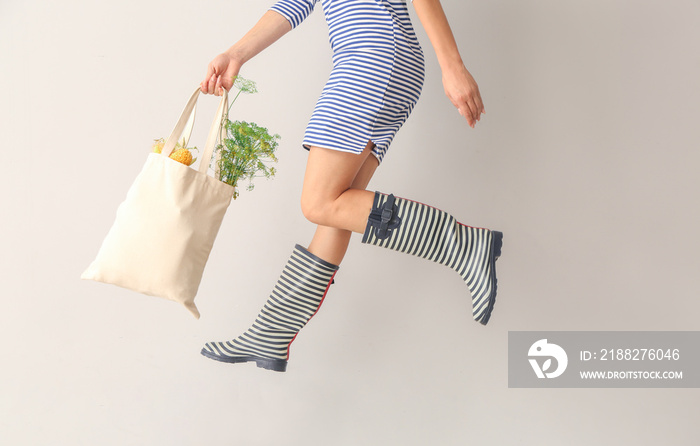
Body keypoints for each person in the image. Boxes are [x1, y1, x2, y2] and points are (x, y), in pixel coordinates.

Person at [199, 0, 502, 372]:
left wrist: (452, 65)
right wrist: (236, 54)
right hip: (378, 58)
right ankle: (271, 332)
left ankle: (465, 245)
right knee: (336, 209)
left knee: (319, 202)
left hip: (371, 56)